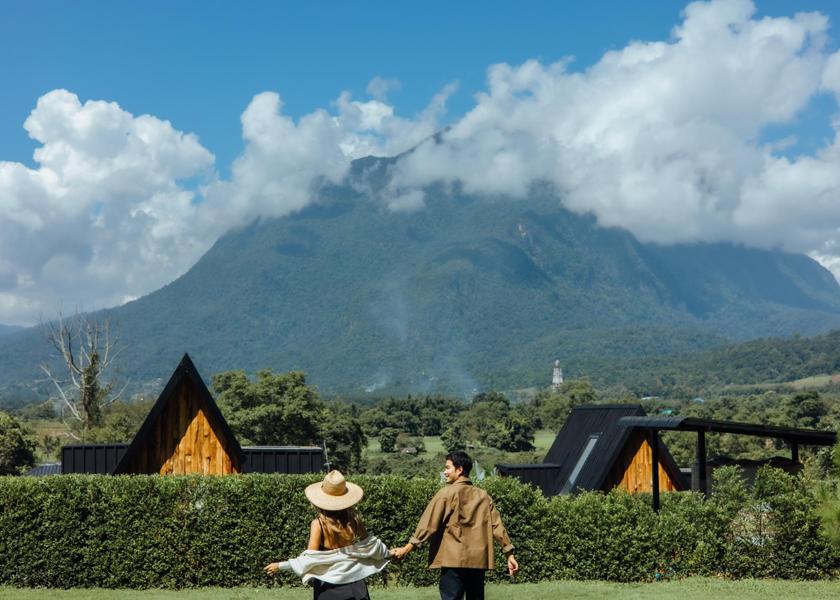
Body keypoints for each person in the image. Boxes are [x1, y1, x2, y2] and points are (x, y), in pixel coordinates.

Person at [390, 450, 519, 600]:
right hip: (477, 562)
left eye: (447, 468)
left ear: (459, 470)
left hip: (453, 561)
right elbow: (497, 527)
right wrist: (509, 554)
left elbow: (428, 525)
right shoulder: (484, 496)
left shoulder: (446, 493)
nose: (444, 472)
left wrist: (407, 548)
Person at [265, 470, 390, 600]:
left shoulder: (319, 524)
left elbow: (310, 558)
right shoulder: (354, 520)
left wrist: (281, 565)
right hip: (355, 584)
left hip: (328, 586)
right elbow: (373, 546)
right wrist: (390, 553)